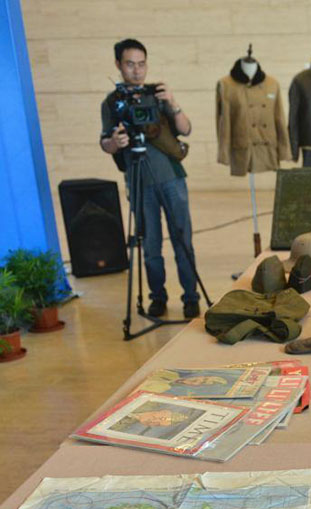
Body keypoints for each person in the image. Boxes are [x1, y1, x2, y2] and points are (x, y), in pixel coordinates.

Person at [100, 38, 200, 319]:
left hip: (172, 178)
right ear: (118, 65)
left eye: (142, 64)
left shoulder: (158, 94)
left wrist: (173, 103)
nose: (137, 71)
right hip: (139, 180)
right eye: (130, 64)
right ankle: (158, 296)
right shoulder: (112, 103)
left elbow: (186, 129)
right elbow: (105, 142)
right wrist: (115, 143)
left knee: (183, 241)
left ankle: (191, 297)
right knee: (151, 245)